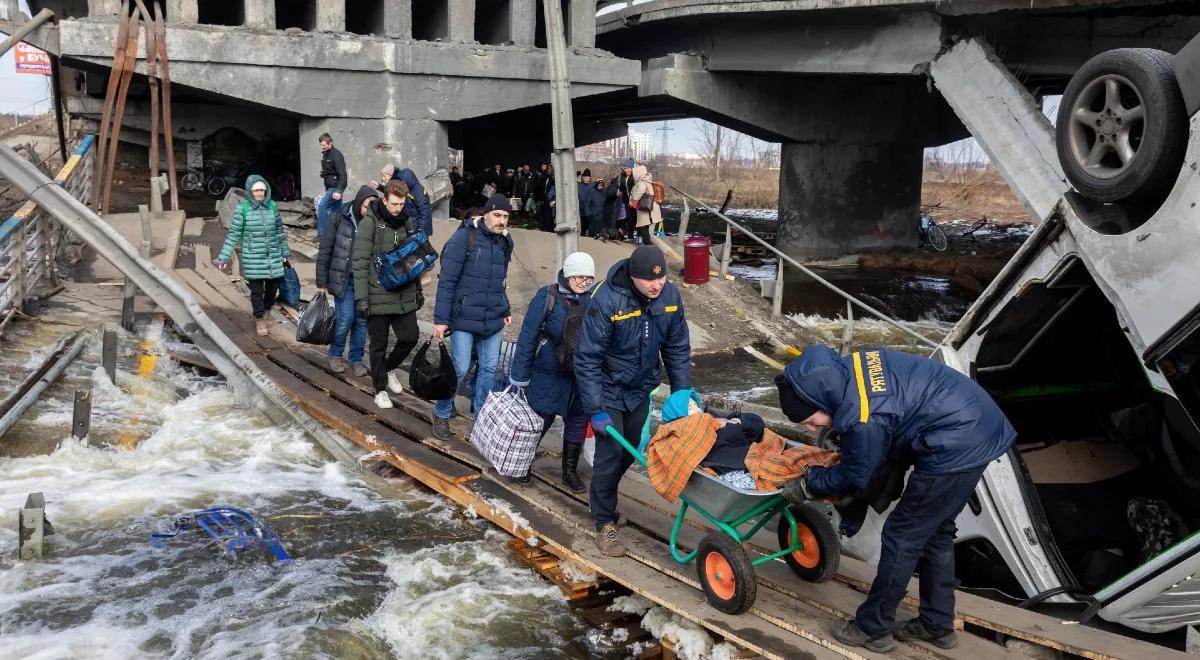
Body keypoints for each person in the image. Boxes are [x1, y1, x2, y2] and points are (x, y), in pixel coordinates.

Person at [776, 344, 1017, 652]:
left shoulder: (862, 417)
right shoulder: (847, 368)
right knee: (936, 531)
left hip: (957, 442)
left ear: (823, 400)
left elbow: (855, 475)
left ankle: (873, 629)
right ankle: (937, 624)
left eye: (811, 421)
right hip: (977, 421)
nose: (811, 428)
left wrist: (810, 483)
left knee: (902, 536)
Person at [575, 245, 692, 556]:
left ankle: (604, 497)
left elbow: (677, 347)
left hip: (640, 387)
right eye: (649, 280)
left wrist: (682, 392)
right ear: (633, 277)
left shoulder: (669, 297)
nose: (657, 285)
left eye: (662, 279)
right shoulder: (607, 298)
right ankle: (603, 522)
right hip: (608, 387)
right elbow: (586, 358)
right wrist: (595, 408)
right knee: (610, 453)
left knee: (631, 449)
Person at [509, 252, 596, 491]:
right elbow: (528, 337)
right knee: (540, 419)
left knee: (577, 420)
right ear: (568, 275)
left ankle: (569, 472)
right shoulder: (546, 297)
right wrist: (520, 376)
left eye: (589, 278)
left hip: (579, 373)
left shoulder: (593, 300)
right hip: (548, 370)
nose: (584, 282)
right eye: (579, 276)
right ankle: (522, 463)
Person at [431, 194, 515, 439]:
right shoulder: (463, 238)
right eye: (497, 215)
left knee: (489, 369)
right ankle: (441, 411)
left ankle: (481, 417)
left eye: (506, 217)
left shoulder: (504, 243)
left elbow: (500, 281)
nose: (501, 221)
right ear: (486, 214)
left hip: (493, 317)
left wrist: (506, 308)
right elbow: (447, 282)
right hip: (464, 316)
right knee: (459, 367)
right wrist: (440, 319)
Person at [351, 179, 426, 410]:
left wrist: (418, 290)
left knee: (410, 337)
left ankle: (388, 368)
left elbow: (412, 259)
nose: (397, 208)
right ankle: (380, 389)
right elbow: (360, 261)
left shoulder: (406, 222)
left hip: (402, 293)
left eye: (401, 204)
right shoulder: (370, 223)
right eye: (394, 204)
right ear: (385, 200)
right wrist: (361, 297)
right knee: (378, 344)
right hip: (377, 292)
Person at [214, 176, 291, 336]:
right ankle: (259, 317)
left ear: (266, 190)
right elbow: (233, 234)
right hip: (253, 256)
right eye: (256, 190)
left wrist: (284, 252)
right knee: (256, 290)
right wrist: (224, 256)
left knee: (274, 285)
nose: (259, 193)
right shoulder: (243, 209)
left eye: (261, 190)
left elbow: (279, 231)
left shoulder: (272, 206)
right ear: (250, 191)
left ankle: (267, 308)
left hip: (273, 255)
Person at [316, 185, 375, 377]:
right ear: (359, 203)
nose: (369, 211)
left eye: (372, 207)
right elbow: (326, 249)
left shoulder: (376, 222)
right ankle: (335, 354)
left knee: (361, 322)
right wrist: (321, 282)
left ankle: (356, 359)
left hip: (365, 283)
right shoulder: (339, 217)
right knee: (345, 319)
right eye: (366, 207)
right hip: (344, 279)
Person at [316, 133, 347, 240]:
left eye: (324, 145)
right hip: (330, 187)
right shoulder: (326, 154)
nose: (322, 147)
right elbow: (328, 170)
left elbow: (343, 175)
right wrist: (323, 173)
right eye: (320, 145)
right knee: (336, 211)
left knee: (322, 206)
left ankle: (322, 235)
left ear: (330, 143)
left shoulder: (336, 155)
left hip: (335, 188)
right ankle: (337, 232)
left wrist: (339, 190)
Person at [395, 168, 433, 237]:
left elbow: (425, 212)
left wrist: (420, 230)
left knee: (422, 245)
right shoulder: (409, 189)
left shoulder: (419, 191)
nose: (401, 184)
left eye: (403, 182)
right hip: (412, 224)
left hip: (418, 227)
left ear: (408, 180)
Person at [629, 164, 661, 245]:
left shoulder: (641, 181)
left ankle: (648, 246)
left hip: (645, 208)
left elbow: (641, 189)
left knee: (643, 227)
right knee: (644, 227)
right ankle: (647, 244)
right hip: (650, 208)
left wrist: (635, 199)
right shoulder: (648, 180)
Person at [605, 158, 636, 239]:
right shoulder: (621, 177)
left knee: (633, 219)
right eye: (624, 168)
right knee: (626, 218)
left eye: (628, 168)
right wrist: (617, 192)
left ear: (632, 168)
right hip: (625, 202)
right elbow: (616, 187)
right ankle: (628, 236)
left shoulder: (635, 177)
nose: (626, 170)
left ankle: (634, 236)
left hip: (634, 202)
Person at [577, 168, 605, 237]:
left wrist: (589, 213)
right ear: (582, 177)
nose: (586, 178)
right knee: (582, 230)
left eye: (588, 177)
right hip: (580, 211)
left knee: (591, 230)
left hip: (591, 213)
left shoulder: (593, 186)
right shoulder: (578, 186)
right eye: (585, 177)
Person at [539, 165, 557, 233]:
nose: (547, 170)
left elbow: (554, 190)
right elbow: (543, 189)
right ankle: (545, 228)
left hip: (552, 201)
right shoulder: (545, 178)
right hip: (545, 200)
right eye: (547, 169)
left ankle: (550, 230)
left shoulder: (553, 179)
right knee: (545, 216)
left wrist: (554, 200)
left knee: (551, 216)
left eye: (549, 169)